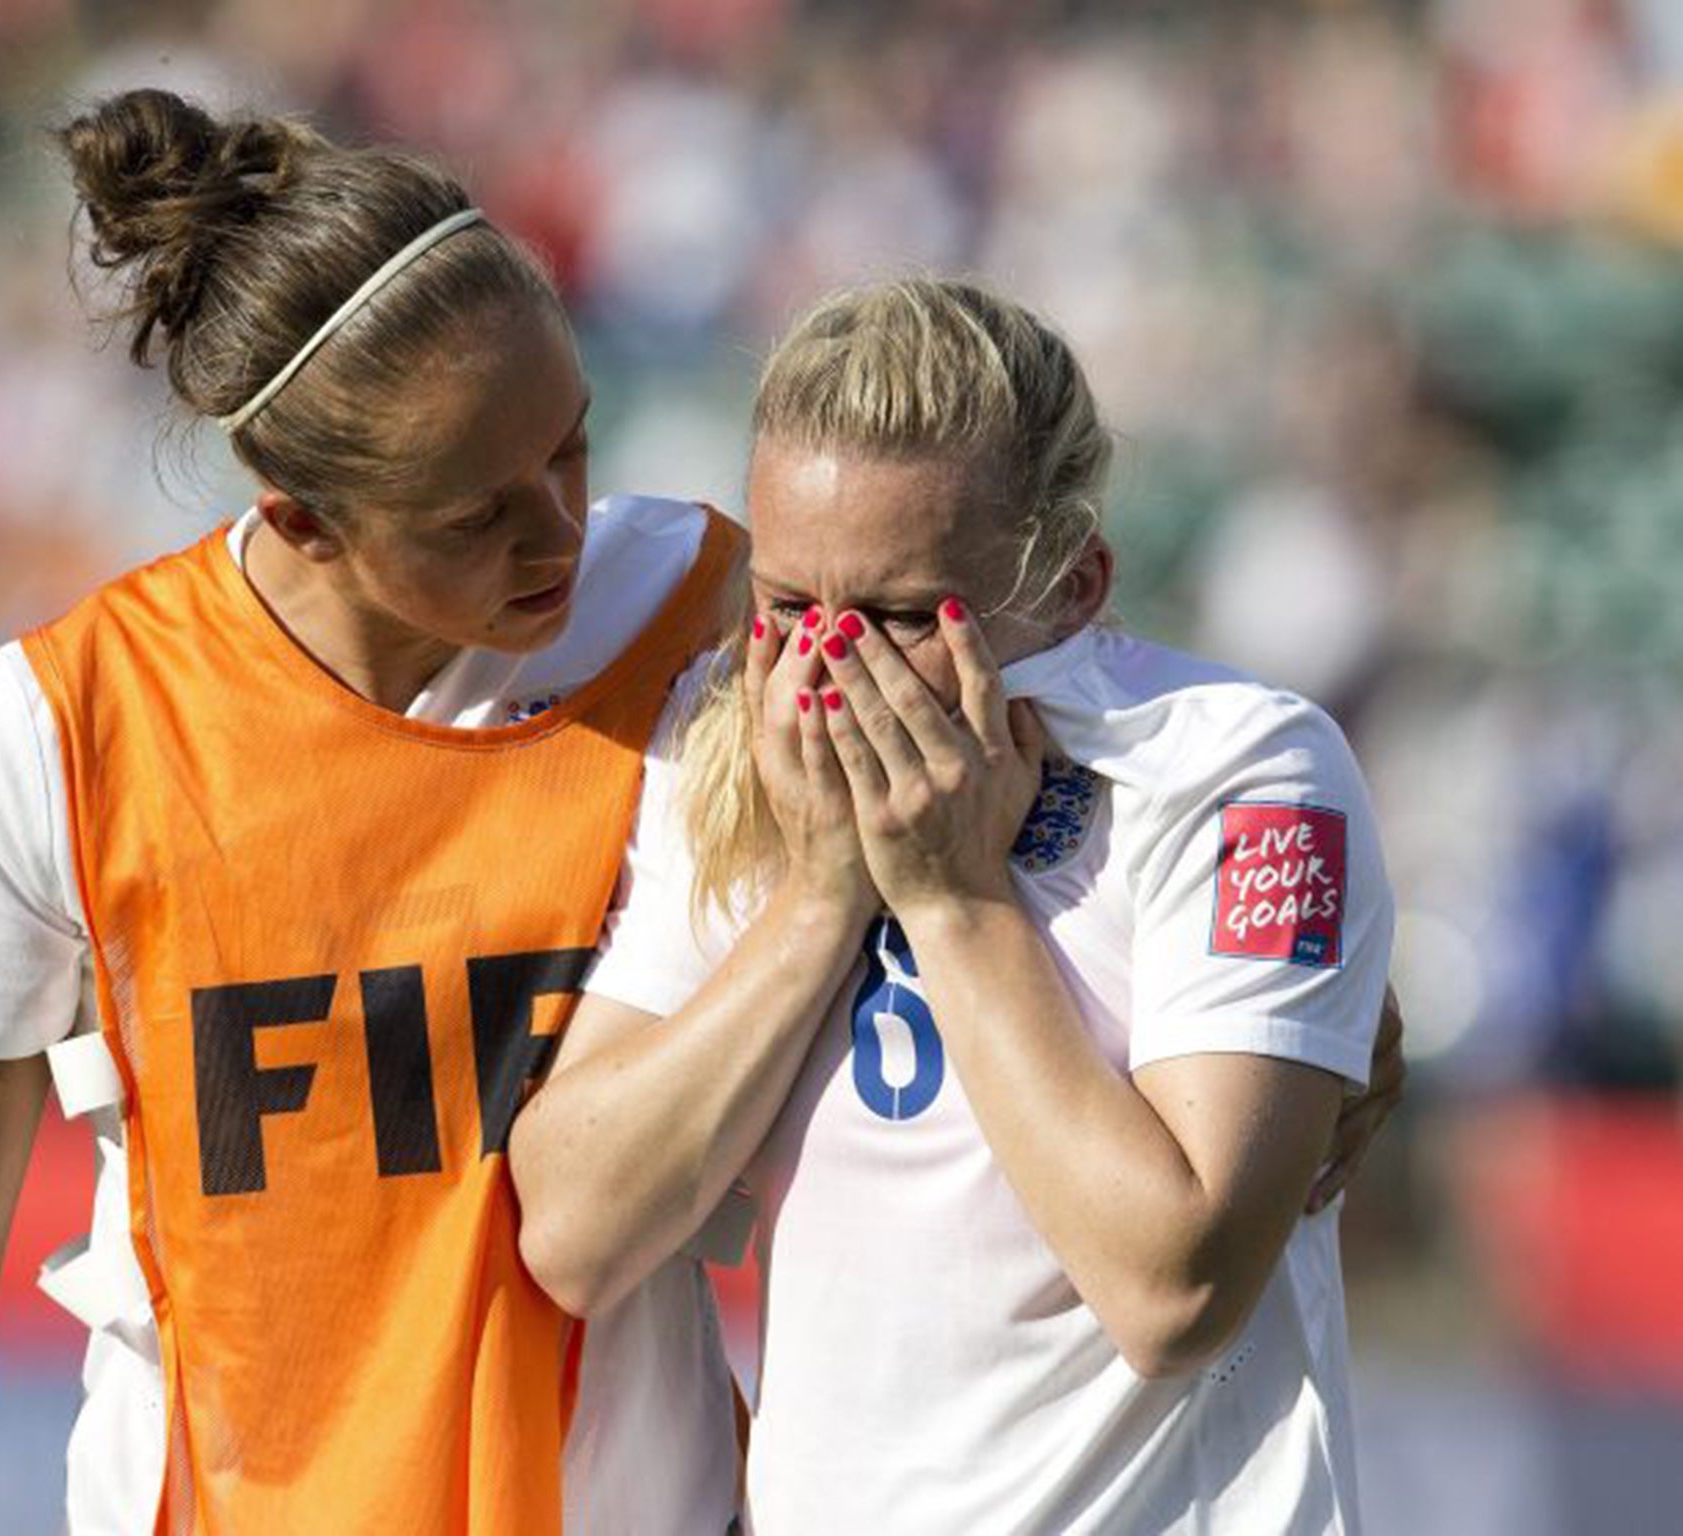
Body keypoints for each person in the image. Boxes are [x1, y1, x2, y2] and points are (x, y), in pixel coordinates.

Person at [0, 88, 743, 1535]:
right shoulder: (49, 738)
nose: (560, 529)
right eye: (475, 511)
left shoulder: (694, 608)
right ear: (300, 513)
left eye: (572, 448)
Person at [511, 277, 1401, 1533]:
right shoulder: (736, 743)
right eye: (784, 607)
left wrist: (953, 901)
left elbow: (1171, 1292)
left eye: (892, 618)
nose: (827, 669)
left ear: (1076, 586)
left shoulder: (1239, 774)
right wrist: (821, 896)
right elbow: (575, 1229)